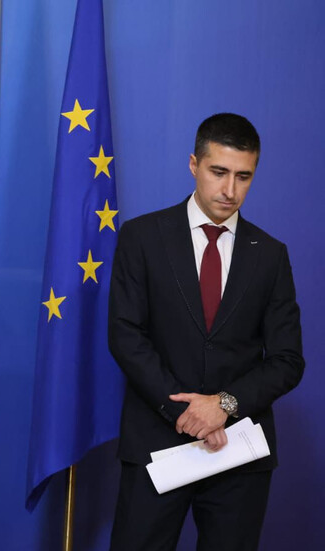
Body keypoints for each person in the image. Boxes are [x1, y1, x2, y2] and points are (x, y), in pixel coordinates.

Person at [107, 113, 304, 550]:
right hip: (155, 443)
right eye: (218, 172)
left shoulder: (270, 255)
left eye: (243, 176)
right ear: (194, 164)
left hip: (238, 453)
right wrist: (187, 413)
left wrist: (224, 406)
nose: (230, 190)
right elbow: (126, 335)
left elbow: (288, 360)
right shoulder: (142, 237)